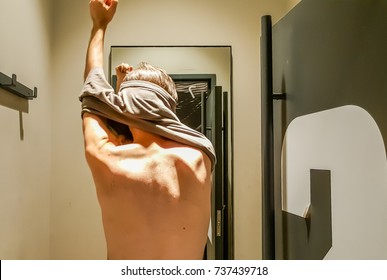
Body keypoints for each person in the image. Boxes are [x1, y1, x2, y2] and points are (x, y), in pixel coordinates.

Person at [81, 0, 213, 260]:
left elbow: (92, 95)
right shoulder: (200, 155)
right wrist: (126, 100)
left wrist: (100, 25)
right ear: (170, 108)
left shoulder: (107, 159)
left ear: (125, 108)